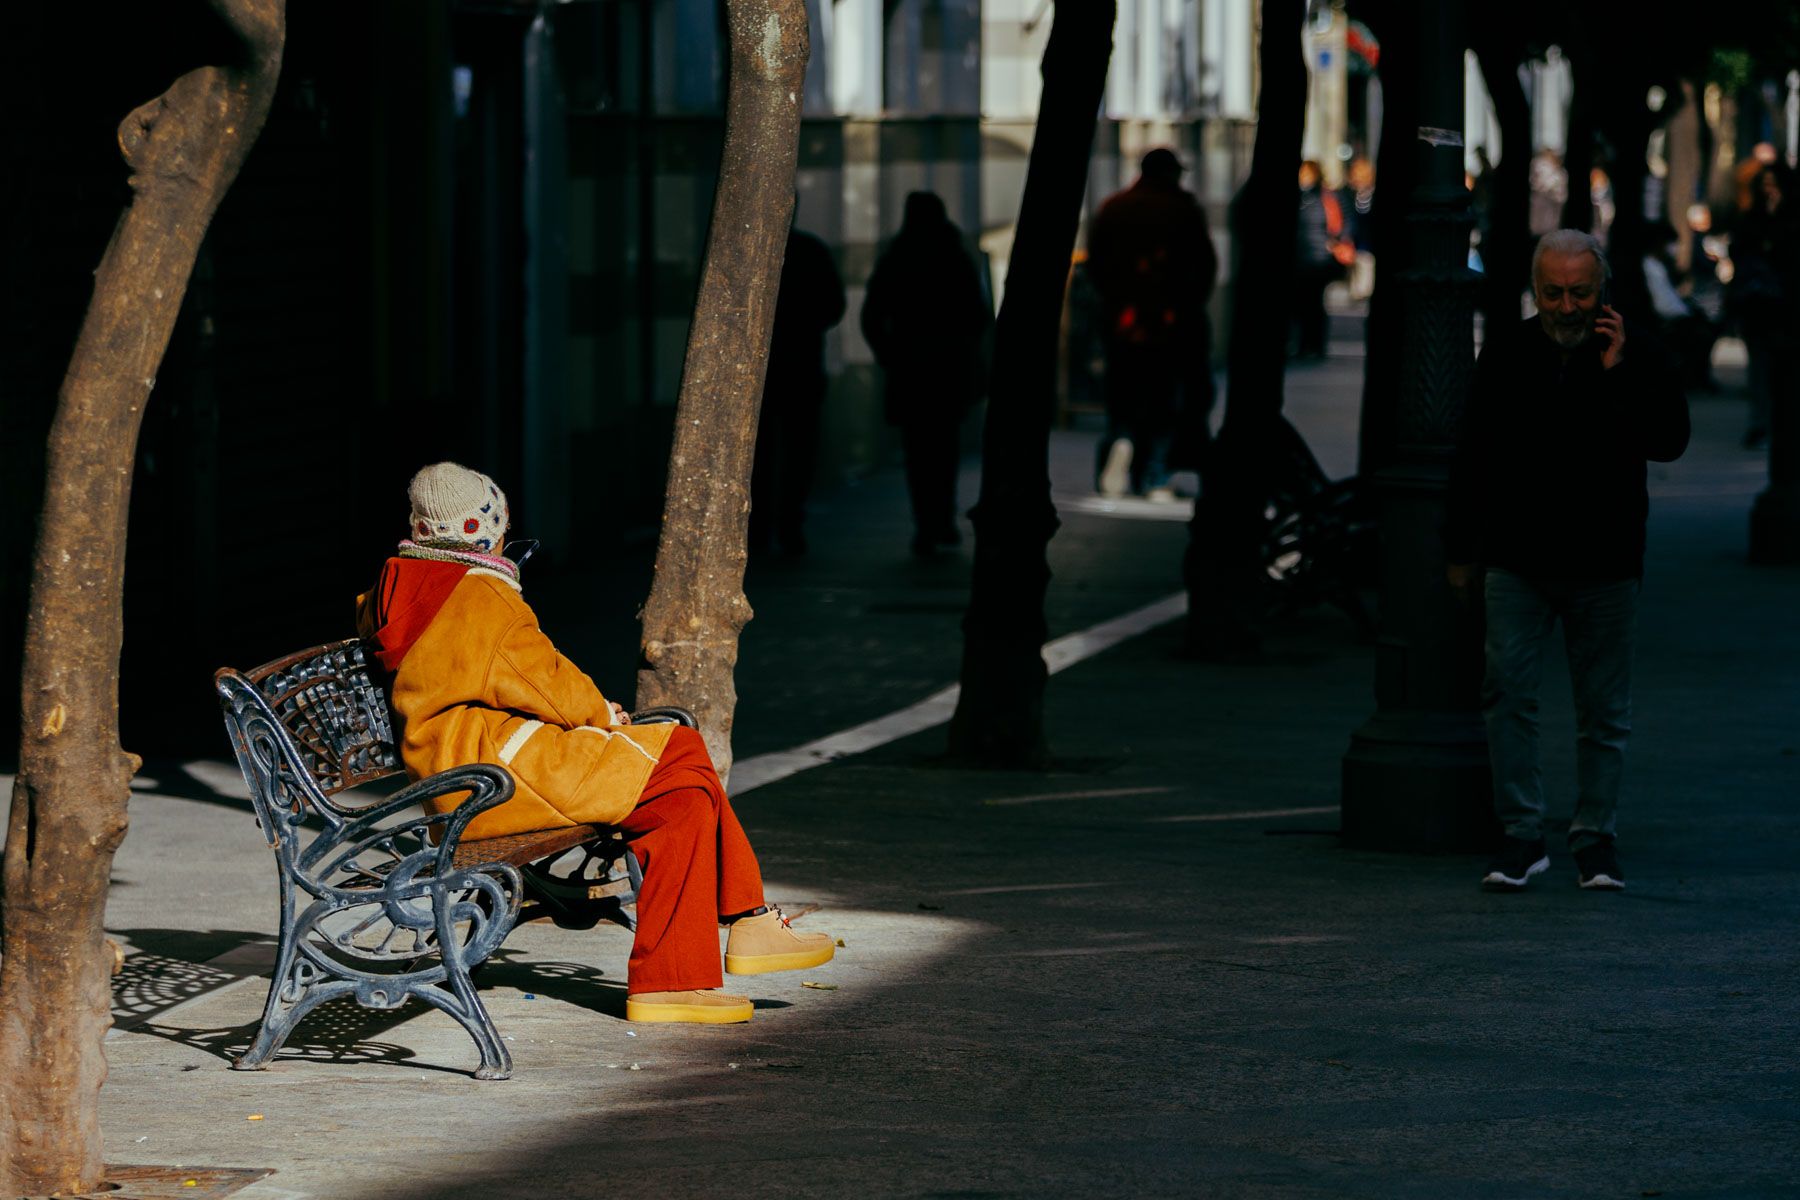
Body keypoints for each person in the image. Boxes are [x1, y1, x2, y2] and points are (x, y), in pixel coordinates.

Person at [355, 463, 836, 1022]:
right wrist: (603, 714)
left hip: (459, 772)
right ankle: (742, 923)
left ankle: (681, 976)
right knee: (678, 750)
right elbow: (545, 678)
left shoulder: (401, 582)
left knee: (679, 797)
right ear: (482, 529)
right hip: (493, 775)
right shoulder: (477, 596)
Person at [1446, 229, 1690, 893]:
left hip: (1606, 561)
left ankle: (1595, 837)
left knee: (1604, 712)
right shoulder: (1510, 351)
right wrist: (1460, 552)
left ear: (1600, 290)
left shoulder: (1638, 352)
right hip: (1517, 558)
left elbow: (1667, 442)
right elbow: (1474, 455)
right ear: (1535, 289)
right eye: (1552, 292)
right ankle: (1522, 836)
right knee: (1507, 695)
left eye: (1580, 292)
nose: (1566, 306)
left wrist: (1620, 374)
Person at [860, 191, 992, 555]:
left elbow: (872, 314)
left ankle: (926, 523)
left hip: (911, 368)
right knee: (944, 448)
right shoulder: (955, 257)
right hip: (947, 368)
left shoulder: (897, 258)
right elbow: (978, 316)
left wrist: (889, 353)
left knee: (918, 452)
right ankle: (943, 518)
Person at [1086, 147, 1219, 497]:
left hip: (1122, 324)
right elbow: (1203, 266)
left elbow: (1096, 265)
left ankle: (1122, 443)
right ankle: (1154, 474)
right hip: (1171, 325)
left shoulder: (1113, 208)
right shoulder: (1182, 210)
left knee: (1124, 397)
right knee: (1166, 403)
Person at [750, 211, 846, 556]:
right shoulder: (811, 251)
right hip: (802, 365)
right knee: (799, 449)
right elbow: (834, 305)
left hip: (764, 370)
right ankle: (790, 522)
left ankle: (759, 525)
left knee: (759, 452)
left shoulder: (756, 250)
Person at [1727, 163, 1800, 449]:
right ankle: (1760, 422)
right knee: (1759, 367)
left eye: (1775, 184)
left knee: (1783, 369)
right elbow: (1740, 251)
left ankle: (1780, 421)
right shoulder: (1751, 219)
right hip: (1758, 306)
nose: (1770, 190)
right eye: (1765, 184)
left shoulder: (1792, 220)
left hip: (1786, 307)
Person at [1291, 159, 1344, 360]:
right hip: (1303, 258)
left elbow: (1344, 222)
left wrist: (1334, 243)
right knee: (1304, 304)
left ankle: (1313, 345)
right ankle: (1307, 344)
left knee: (1312, 304)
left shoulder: (1326, 197)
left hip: (1318, 259)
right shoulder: (1303, 196)